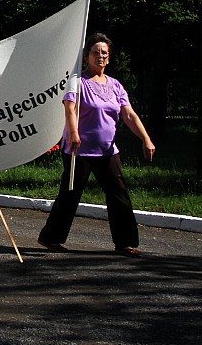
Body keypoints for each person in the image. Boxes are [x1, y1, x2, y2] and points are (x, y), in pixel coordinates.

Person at [37, 33, 155, 256]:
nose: (100, 56)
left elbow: (128, 114)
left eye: (104, 53)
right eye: (95, 52)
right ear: (87, 56)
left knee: (118, 193)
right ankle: (50, 237)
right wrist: (73, 134)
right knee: (70, 193)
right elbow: (70, 108)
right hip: (79, 149)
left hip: (107, 150)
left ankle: (125, 243)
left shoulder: (115, 85)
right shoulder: (77, 82)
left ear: (109, 58)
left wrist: (145, 139)